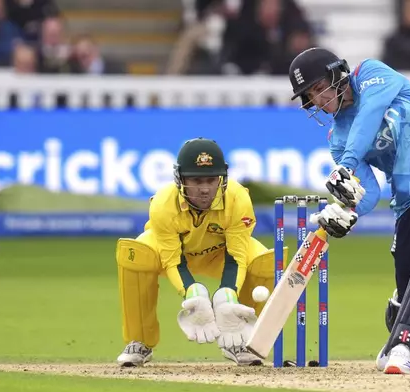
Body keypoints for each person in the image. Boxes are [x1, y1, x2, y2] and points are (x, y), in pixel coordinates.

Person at [289, 48, 410, 374]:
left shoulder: (370, 75)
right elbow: (367, 194)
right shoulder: (338, 138)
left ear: (337, 74)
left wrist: (347, 164)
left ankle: (402, 346)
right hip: (409, 203)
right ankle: (405, 312)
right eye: (311, 95)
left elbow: (372, 113)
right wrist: (345, 210)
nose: (320, 99)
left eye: (320, 87)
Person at [115, 138, 286, 367]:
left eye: (211, 180)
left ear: (221, 179)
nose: (205, 188)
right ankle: (140, 341)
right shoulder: (163, 204)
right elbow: (172, 260)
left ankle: (242, 339)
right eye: (196, 180)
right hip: (175, 256)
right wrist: (193, 293)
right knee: (137, 254)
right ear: (180, 180)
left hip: (219, 255)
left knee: (263, 261)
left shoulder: (237, 198)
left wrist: (227, 297)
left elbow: (237, 255)